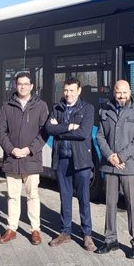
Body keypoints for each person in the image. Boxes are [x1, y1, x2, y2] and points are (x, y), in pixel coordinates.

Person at [95, 80, 134, 259]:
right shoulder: (104, 111)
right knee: (110, 204)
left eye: (124, 93)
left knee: (132, 205)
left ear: (130, 92)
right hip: (110, 166)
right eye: (118, 93)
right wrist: (110, 156)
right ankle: (110, 240)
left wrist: (121, 156)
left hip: (130, 166)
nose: (121, 96)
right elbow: (100, 136)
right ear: (114, 92)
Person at [0, 71, 49, 245]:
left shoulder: (41, 106)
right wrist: (11, 150)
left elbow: (44, 132)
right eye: (20, 84)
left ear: (32, 86)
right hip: (12, 160)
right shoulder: (6, 106)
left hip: (31, 159)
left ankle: (35, 230)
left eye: (26, 83)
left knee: (33, 196)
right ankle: (11, 228)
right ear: (15, 85)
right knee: (13, 196)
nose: (23, 86)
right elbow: (0, 131)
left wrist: (29, 150)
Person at [45, 77, 96, 251]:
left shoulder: (88, 109)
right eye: (66, 90)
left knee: (84, 198)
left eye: (72, 90)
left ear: (79, 91)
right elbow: (49, 129)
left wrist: (60, 128)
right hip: (62, 160)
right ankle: (65, 232)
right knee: (64, 197)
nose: (68, 94)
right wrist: (69, 126)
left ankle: (87, 234)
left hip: (81, 160)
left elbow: (83, 133)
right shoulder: (56, 108)